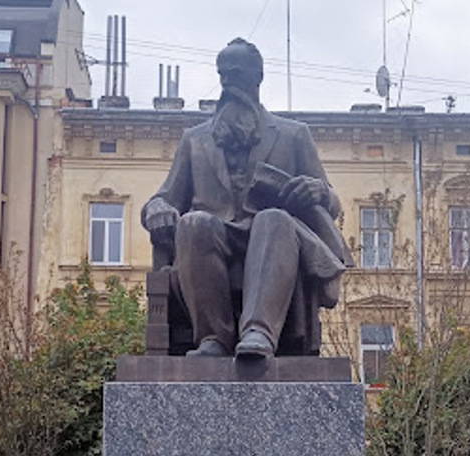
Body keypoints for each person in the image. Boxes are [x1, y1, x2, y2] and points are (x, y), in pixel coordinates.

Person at [141, 38, 351, 359]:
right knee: (194, 222)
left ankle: (259, 332)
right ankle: (214, 338)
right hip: (215, 237)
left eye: (236, 73)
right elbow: (164, 197)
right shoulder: (194, 140)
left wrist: (318, 191)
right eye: (222, 74)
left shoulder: (293, 134)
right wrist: (156, 209)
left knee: (273, 218)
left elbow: (332, 205)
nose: (227, 82)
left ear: (258, 77)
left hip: (273, 239)